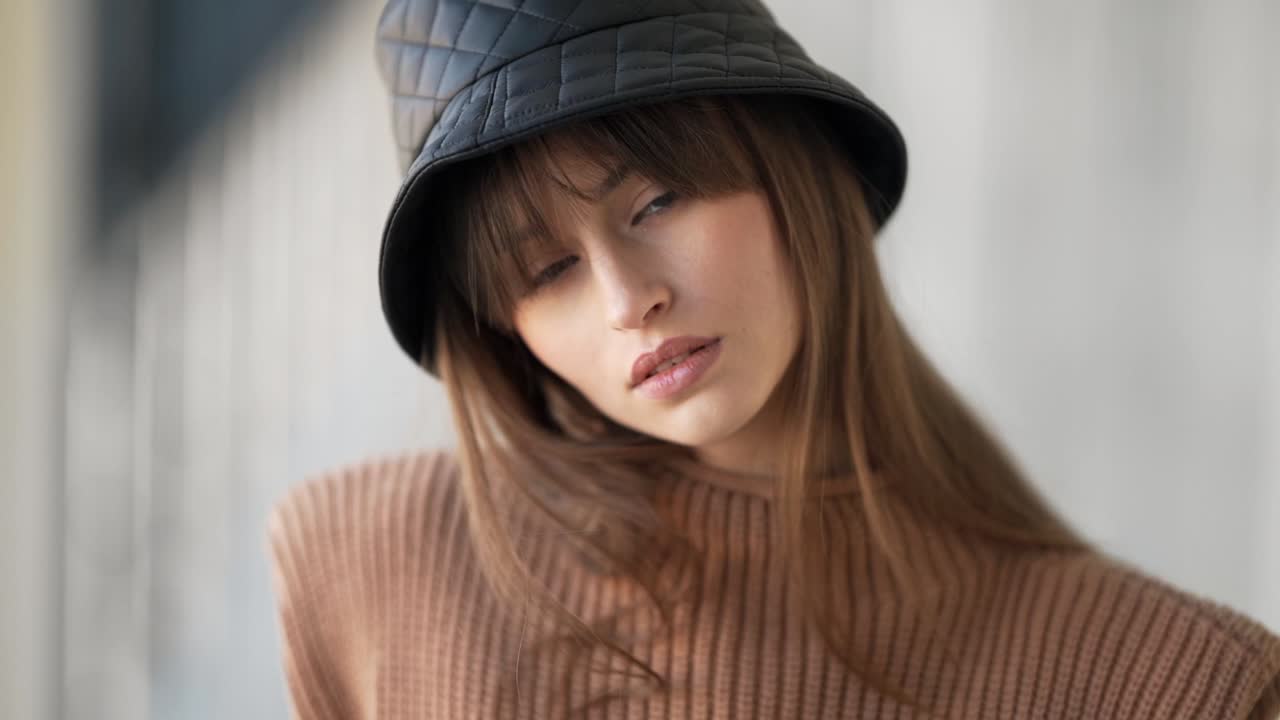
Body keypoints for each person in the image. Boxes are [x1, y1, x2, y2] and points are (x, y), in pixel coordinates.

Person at [266, 1, 1280, 718]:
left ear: (789, 172)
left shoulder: (1164, 681)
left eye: (656, 201)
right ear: (500, 331)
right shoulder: (374, 570)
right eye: (546, 271)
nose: (629, 302)